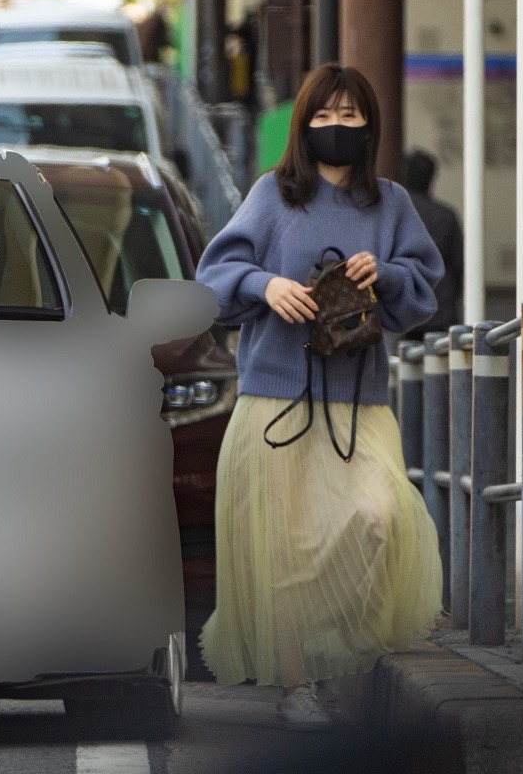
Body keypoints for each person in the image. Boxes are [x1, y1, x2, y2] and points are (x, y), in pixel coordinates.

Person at [194, 63, 445, 731]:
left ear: (371, 124)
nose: (337, 127)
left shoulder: (391, 203)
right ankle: (299, 685)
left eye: (350, 116)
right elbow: (213, 278)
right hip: (275, 402)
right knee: (286, 550)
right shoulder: (272, 196)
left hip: (360, 402)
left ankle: (345, 664)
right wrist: (263, 286)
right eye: (325, 116)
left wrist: (385, 274)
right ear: (304, 124)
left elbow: (422, 293)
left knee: (375, 520)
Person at [401, 147, 463, 342]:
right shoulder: (446, 215)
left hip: (405, 309)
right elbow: (459, 263)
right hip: (441, 307)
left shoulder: (397, 214)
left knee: (406, 366)